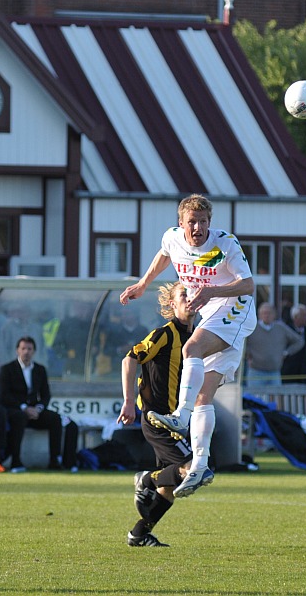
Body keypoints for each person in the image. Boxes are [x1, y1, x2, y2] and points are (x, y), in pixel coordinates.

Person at [119, 193, 255, 497]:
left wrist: (210, 291)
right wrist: (142, 284)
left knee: (190, 349)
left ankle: (179, 418)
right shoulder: (173, 238)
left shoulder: (224, 244)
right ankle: (198, 468)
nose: (198, 228)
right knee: (203, 397)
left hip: (234, 309)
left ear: (210, 222)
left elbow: (248, 285)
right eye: (192, 222)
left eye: (203, 222)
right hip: (211, 315)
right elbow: (165, 254)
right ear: (181, 223)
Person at [117, 282, 197, 547]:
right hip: (156, 418)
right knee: (192, 468)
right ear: (172, 304)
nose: (189, 298)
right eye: (183, 295)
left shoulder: (199, 337)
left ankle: (139, 534)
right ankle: (145, 478)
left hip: (178, 420)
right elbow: (129, 359)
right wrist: (129, 401)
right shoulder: (165, 333)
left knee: (169, 487)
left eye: (193, 293)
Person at [0, 336, 79, 472]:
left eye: (29, 349)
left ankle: (55, 460)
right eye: (23, 348)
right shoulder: (7, 369)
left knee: (55, 419)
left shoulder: (40, 370)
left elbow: (46, 394)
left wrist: (38, 408)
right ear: (17, 350)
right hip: (16, 410)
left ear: (34, 351)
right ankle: (16, 461)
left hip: (35, 411)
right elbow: (4, 395)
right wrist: (24, 408)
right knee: (19, 418)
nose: (26, 352)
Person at [245, 302, 303, 389]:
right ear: (259, 315)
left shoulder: (280, 328)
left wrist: (286, 352)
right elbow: (241, 342)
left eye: (269, 313)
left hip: (274, 372)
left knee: (275, 400)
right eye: (264, 313)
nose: (267, 315)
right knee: (254, 399)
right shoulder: (252, 328)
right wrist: (247, 354)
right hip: (256, 372)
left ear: (274, 315)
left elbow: (299, 341)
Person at [281, 303, 306, 385]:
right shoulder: (286, 332)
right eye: (304, 315)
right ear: (295, 317)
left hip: (305, 375)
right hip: (289, 374)